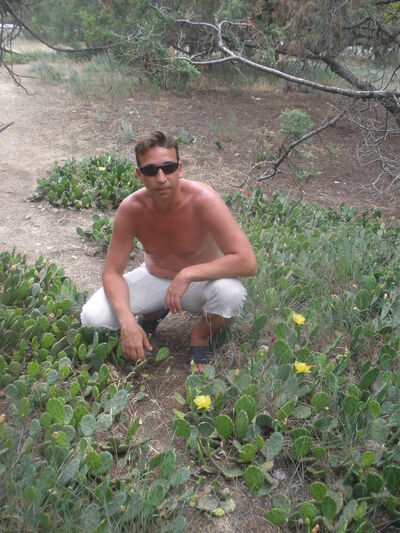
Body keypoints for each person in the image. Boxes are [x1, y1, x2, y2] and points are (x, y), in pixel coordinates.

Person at [81, 131, 257, 372]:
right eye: (151, 170)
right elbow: (112, 272)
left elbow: (247, 262)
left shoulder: (204, 200)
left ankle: (200, 336)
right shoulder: (131, 209)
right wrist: (127, 322)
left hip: (199, 284)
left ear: (180, 169)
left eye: (169, 167)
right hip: (155, 276)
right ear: (139, 175)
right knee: (93, 318)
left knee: (231, 294)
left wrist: (187, 274)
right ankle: (153, 313)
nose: (161, 177)